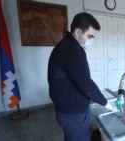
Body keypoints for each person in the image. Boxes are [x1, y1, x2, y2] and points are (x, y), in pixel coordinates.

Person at [48, 12, 107, 141]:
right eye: (90, 36)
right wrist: (105, 101)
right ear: (78, 31)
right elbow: (86, 83)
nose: (92, 40)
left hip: (68, 109)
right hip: (73, 114)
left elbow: (78, 77)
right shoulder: (71, 50)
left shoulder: (68, 46)